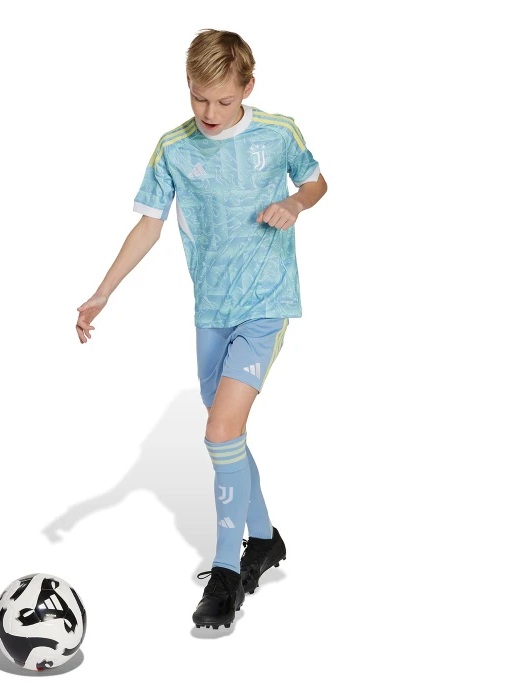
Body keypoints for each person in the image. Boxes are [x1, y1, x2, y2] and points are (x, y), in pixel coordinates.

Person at [75, 28, 328, 630]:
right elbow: (148, 225)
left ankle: (224, 573)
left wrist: (296, 203)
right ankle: (264, 539)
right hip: (210, 309)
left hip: (266, 301)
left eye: (223, 100)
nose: (210, 112)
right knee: (227, 434)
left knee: (218, 431)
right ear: (187, 86)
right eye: (198, 97)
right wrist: (103, 292)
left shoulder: (278, 131)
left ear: (248, 87)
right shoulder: (173, 147)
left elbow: (316, 180)